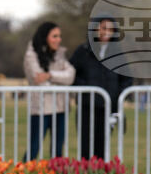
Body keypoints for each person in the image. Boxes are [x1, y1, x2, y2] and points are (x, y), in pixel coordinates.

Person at [70, 16, 132, 160]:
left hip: (108, 109)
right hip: (86, 108)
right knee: (85, 149)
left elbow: (127, 78)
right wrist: (86, 89)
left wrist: (118, 96)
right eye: (103, 28)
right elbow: (72, 74)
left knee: (102, 149)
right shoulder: (83, 51)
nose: (106, 32)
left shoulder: (118, 54)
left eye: (111, 29)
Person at [24, 21, 75, 160]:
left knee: (58, 149)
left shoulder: (59, 54)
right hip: (41, 108)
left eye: (59, 36)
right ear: (45, 37)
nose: (59, 39)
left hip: (60, 108)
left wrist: (50, 75)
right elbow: (40, 82)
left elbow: (71, 75)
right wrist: (60, 82)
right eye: (55, 36)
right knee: (34, 147)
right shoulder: (31, 55)